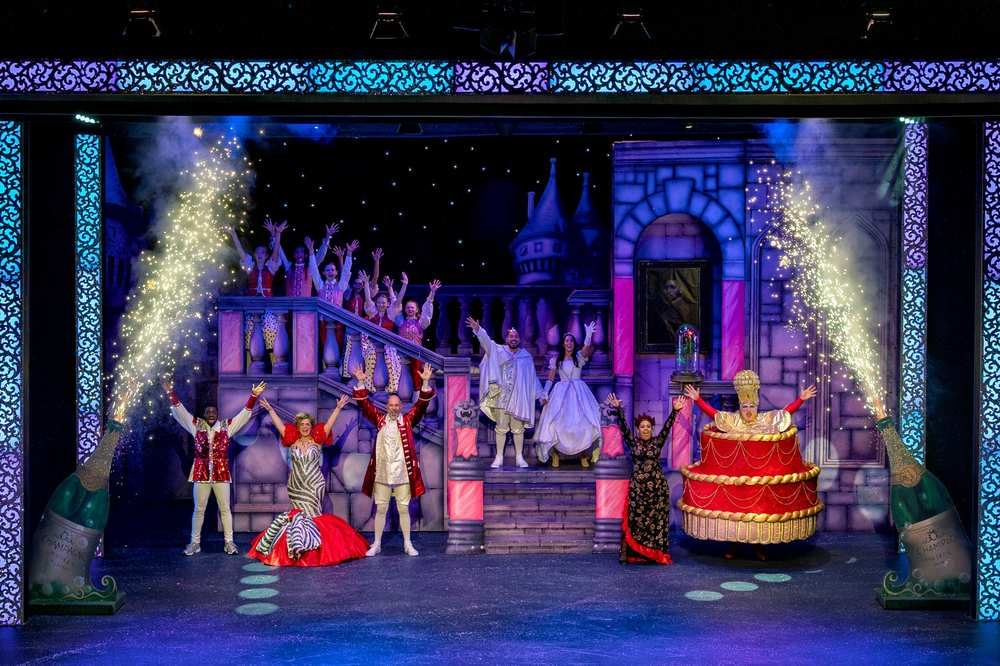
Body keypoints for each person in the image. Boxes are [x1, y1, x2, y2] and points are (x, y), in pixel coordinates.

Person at [248, 395, 369, 567]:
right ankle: (297, 548)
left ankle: (314, 551)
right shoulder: (292, 440)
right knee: (298, 516)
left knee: (312, 516)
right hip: (296, 485)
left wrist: (338, 408)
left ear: (311, 427)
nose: (305, 427)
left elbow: (329, 425)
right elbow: (279, 425)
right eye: (302, 424)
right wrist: (270, 410)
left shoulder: (317, 440)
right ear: (298, 427)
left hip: (314, 484)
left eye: (308, 424)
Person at [164, 379, 266, 556]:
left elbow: (244, 414)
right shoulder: (196, 426)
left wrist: (253, 396)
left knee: (225, 509)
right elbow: (181, 412)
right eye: (208, 411)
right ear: (204, 414)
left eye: (214, 411)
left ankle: (229, 542)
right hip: (201, 474)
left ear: (217, 414)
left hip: (220, 474)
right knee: (199, 509)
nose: (211, 413)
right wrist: (170, 393)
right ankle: (194, 543)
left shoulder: (226, 427)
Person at [351, 363, 436, 557]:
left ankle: (407, 543)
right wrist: (361, 381)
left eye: (397, 405)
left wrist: (425, 382)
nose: (394, 408)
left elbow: (421, 405)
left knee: (403, 509)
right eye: (391, 405)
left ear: (401, 406)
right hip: (382, 472)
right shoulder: (379, 420)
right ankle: (377, 543)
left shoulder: (407, 420)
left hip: (402, 473)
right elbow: (365, 405)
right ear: (387, 406)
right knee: (380, 509)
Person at [607, 392, 684, 564]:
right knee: (635, 521)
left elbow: (667, 427)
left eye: (648, 426)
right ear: (638, 429)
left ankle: (654, 553)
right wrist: (618, 409)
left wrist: (675, 411)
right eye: (643, 426)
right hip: (638, 489)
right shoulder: (633, 442)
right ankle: (631, 552)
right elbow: (624, 428)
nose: (646, 429)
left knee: (655, 523)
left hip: (656, 489)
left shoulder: (657, 442)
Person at [465, 316, 544, 468]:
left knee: (518, 429)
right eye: (511, 336)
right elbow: (486, 342)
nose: (513, 338)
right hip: (502, 398)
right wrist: (478, 329)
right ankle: (499, 457)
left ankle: (519, 457)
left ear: (519, 339)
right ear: (506, 338)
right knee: (501, 428)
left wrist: (541, 395)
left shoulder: (525, 356)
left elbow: (532, 378)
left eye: (516, 336)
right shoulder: (498, 351)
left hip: (518, 399)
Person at [535, 322, 602, 468]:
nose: (569, 343)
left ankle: (583, 454)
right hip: (561, 394)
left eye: (571, 340)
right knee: (556, 423)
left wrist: (588, 335)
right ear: (563, 344)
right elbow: (551, 378)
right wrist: (545, 393)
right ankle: (556, 454)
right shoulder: (556, 360)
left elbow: (585, 350)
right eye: (567, 340)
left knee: (583, 423)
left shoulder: (579, 357)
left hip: (579, 393)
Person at [683, 372, 817, 435]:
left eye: (752, 406)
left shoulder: (765, 419)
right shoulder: (733, 420)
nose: (748, 410)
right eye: (745, 406)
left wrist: (801, 399)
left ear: (757, 406)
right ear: (740, 407)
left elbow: (785, 412)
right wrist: (697, 399)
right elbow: (714, 413)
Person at [229, 221, 284, 367]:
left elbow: (276, 253)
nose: (259, 255)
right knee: (249, 334)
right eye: (257, 252)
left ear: (266, 256)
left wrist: (278, 235)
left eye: (262, 253)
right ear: (254, 255)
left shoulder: (270, 268)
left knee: (271, 332)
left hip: (267, 306)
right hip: (252, 306)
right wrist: (233, 234)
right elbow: (240, 251)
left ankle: (274, 365)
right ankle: (249, 366)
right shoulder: (250, 267)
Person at [357, 270, 404, 393]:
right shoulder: (373, 313)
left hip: (388, 345)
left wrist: (404, 285)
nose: (381, 304)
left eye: (383, 302)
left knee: (391, 360)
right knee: (370, 358)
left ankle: (391, 388)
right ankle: (370, 387)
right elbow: (367, 299)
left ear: (388, 304)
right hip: (373, 344)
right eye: (379, 302)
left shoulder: (391, 314)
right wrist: (367, 283)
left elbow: (398, 301)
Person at [271, 221, 339, 297]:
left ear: (306, 254)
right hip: (290, 305)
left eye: (301, 252)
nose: (299, 254)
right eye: (297, 252)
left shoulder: (310, 267)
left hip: (305, 305)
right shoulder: (289, 266)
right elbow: (280, 252)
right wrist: (276, 235)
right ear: (293, 255)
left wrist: (327, 236)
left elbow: (321, 255)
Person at [397, 279, 441, 391]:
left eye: (412, 307)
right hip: (402, 353)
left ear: (416, 310)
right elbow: (395, 304)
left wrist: (432, 293)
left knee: (416, 374)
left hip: (416, 354)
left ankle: (417, 393)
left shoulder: (420, 323)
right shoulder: (401, 321)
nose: (410, 309)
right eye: (408, 307)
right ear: (405, 309)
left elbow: (427, 310)